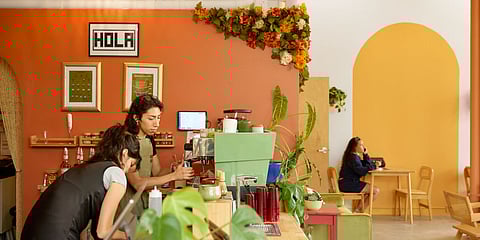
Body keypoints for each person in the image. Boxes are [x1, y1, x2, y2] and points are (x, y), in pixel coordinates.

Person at [21, 125, 141, 240]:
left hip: (30, 232)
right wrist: (129, 235)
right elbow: (103, 232)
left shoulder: (87, 169)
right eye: (131, 164)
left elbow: (97, 232)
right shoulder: (117, 173)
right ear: (125, 154)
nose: (125, 172)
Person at [121, 94, 193, 216]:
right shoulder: (126, 141)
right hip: (127, 203)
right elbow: (137, 183)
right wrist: (174, 176)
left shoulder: (149, 139)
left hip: (146, 199)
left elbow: (157, 172)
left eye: (158, 118)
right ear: (136, 118)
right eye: (151, 118)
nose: (156, 124)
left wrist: (173, 170)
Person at [338, 137, 380, 212]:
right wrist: (373, 166)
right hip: (348, 184)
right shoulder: (353, 157)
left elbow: (365, 164)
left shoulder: (353, 156)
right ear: (354, 147)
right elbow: (361, 171)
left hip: (347, 182)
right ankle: (358, 211)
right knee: (375, 190)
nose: (363, 147)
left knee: (371, 191)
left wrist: (366, 154)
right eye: (361, 145)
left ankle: (357, 210)